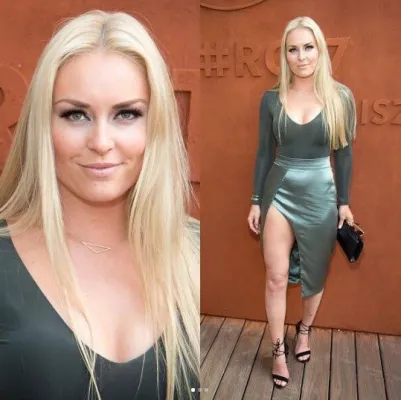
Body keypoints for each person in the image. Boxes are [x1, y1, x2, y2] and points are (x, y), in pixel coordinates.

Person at [0, 10, 199, 400]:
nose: (101, 142)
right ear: (43, 125)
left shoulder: (196, 251)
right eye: (76, 114)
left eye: (126, 114)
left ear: (155, 125)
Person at [247, 16, 356, 389]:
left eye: (308, 47)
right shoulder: (271, 99)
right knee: (276, 276)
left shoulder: (341, 97)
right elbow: (264, 153)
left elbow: (344, 154)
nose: (301, 56)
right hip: (279, 189)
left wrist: (344, 202)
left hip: (321, 193)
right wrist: (256, 200)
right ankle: (278, 349)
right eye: (293, 49)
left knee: (315, 274)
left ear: (320, 50)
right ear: (285, 55)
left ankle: (304, 329)